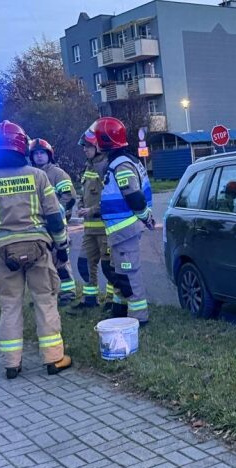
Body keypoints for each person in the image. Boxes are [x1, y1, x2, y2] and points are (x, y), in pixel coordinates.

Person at [0, 120, 72, 379]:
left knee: (10, 306)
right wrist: (61, 245)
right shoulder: (37, 175)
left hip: (4, 251)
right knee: (45, 302)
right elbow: (53, 216)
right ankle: (53, 359)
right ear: (21, 146)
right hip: (38, 248)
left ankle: (11, 364)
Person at [90, 117, 154, 325]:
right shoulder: (122, 161)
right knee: (120, 272)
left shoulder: (121, 165)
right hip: (121, 230)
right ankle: (119, 309)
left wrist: (145, 217)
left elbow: (133, 195)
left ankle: (138, 318)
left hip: (125, 229)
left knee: (128, 275)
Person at [29, 138, 78, 304]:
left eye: (42, 153)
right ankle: (50, 295)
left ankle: (68, 294)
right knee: (43, 262)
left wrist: (57, 212)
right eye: (36, 154)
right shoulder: (30, 174)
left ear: (49, 155)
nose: (39, 157)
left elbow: (69, 197)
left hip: (56, 226)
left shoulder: (58, 174)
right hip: (38, 227)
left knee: (61, 261)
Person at [73, 129, 114, 310]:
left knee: (109, 267)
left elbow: (112, 200)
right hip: (89, 230)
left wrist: (91, 210)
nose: (85, 150)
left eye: (88, 146)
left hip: (105, 229)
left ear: (98, 146)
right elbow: (85, 193)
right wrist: (81, 204)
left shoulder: (106, 167)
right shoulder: (89, 167)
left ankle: (113, 300)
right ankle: (91, 299)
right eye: (84, 147)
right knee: (84, 263)